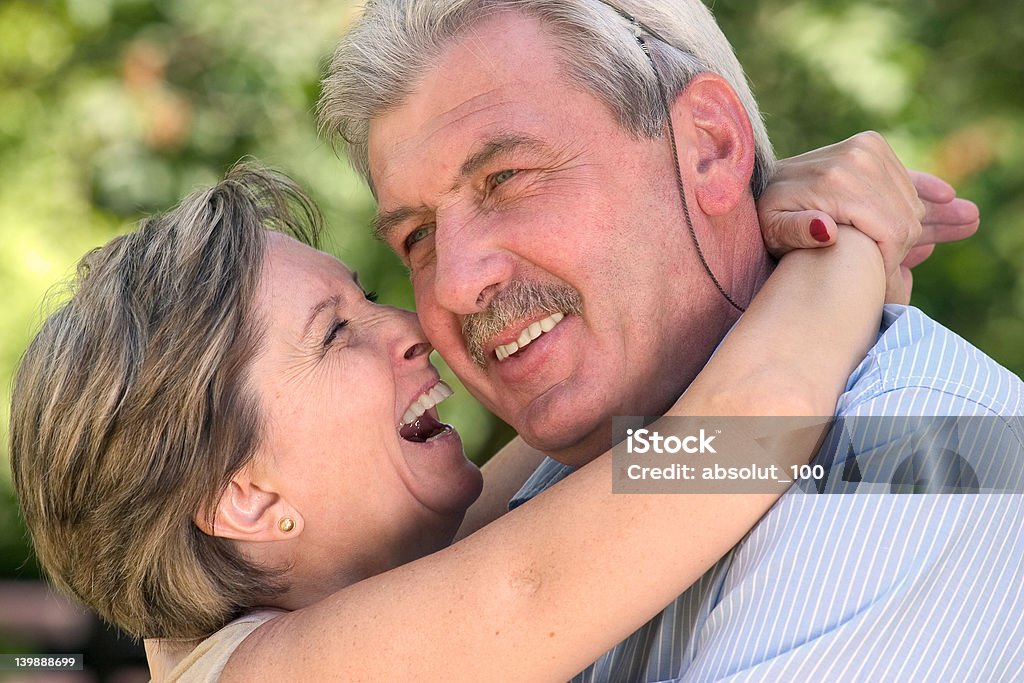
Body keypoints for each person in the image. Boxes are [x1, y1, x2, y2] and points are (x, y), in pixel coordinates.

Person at [319, 0, 1024, 680]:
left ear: (710, 148)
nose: (455, 285)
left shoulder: (920, 452)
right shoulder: (530, 508)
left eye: (506, 178)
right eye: (418, 237)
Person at [11, 161, 925, 681]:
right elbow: (731, 443)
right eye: (336, 335)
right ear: (245, 497)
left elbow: (628, 428)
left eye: (366, 297)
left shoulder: (340, 595)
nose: (410, 326)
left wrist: (723, 247)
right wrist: (844, 244)